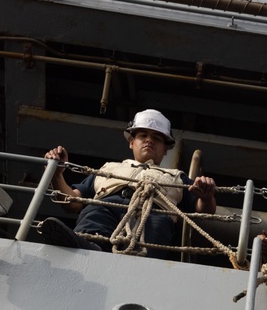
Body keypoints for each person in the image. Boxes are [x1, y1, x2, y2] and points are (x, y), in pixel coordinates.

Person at [37, 108, 216, 254]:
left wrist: (206, 196)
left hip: (151, 214)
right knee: (93, 216)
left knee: (155, 229)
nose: (149, 140)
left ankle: (139, 260)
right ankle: (87, 248)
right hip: (105, 207)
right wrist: (56, 174)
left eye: (156, 138)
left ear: (166, 149)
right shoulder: (107, 169)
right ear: (131, 142)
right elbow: (72, 203)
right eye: (143, 135)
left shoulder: (178, 177)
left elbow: (203, 211)